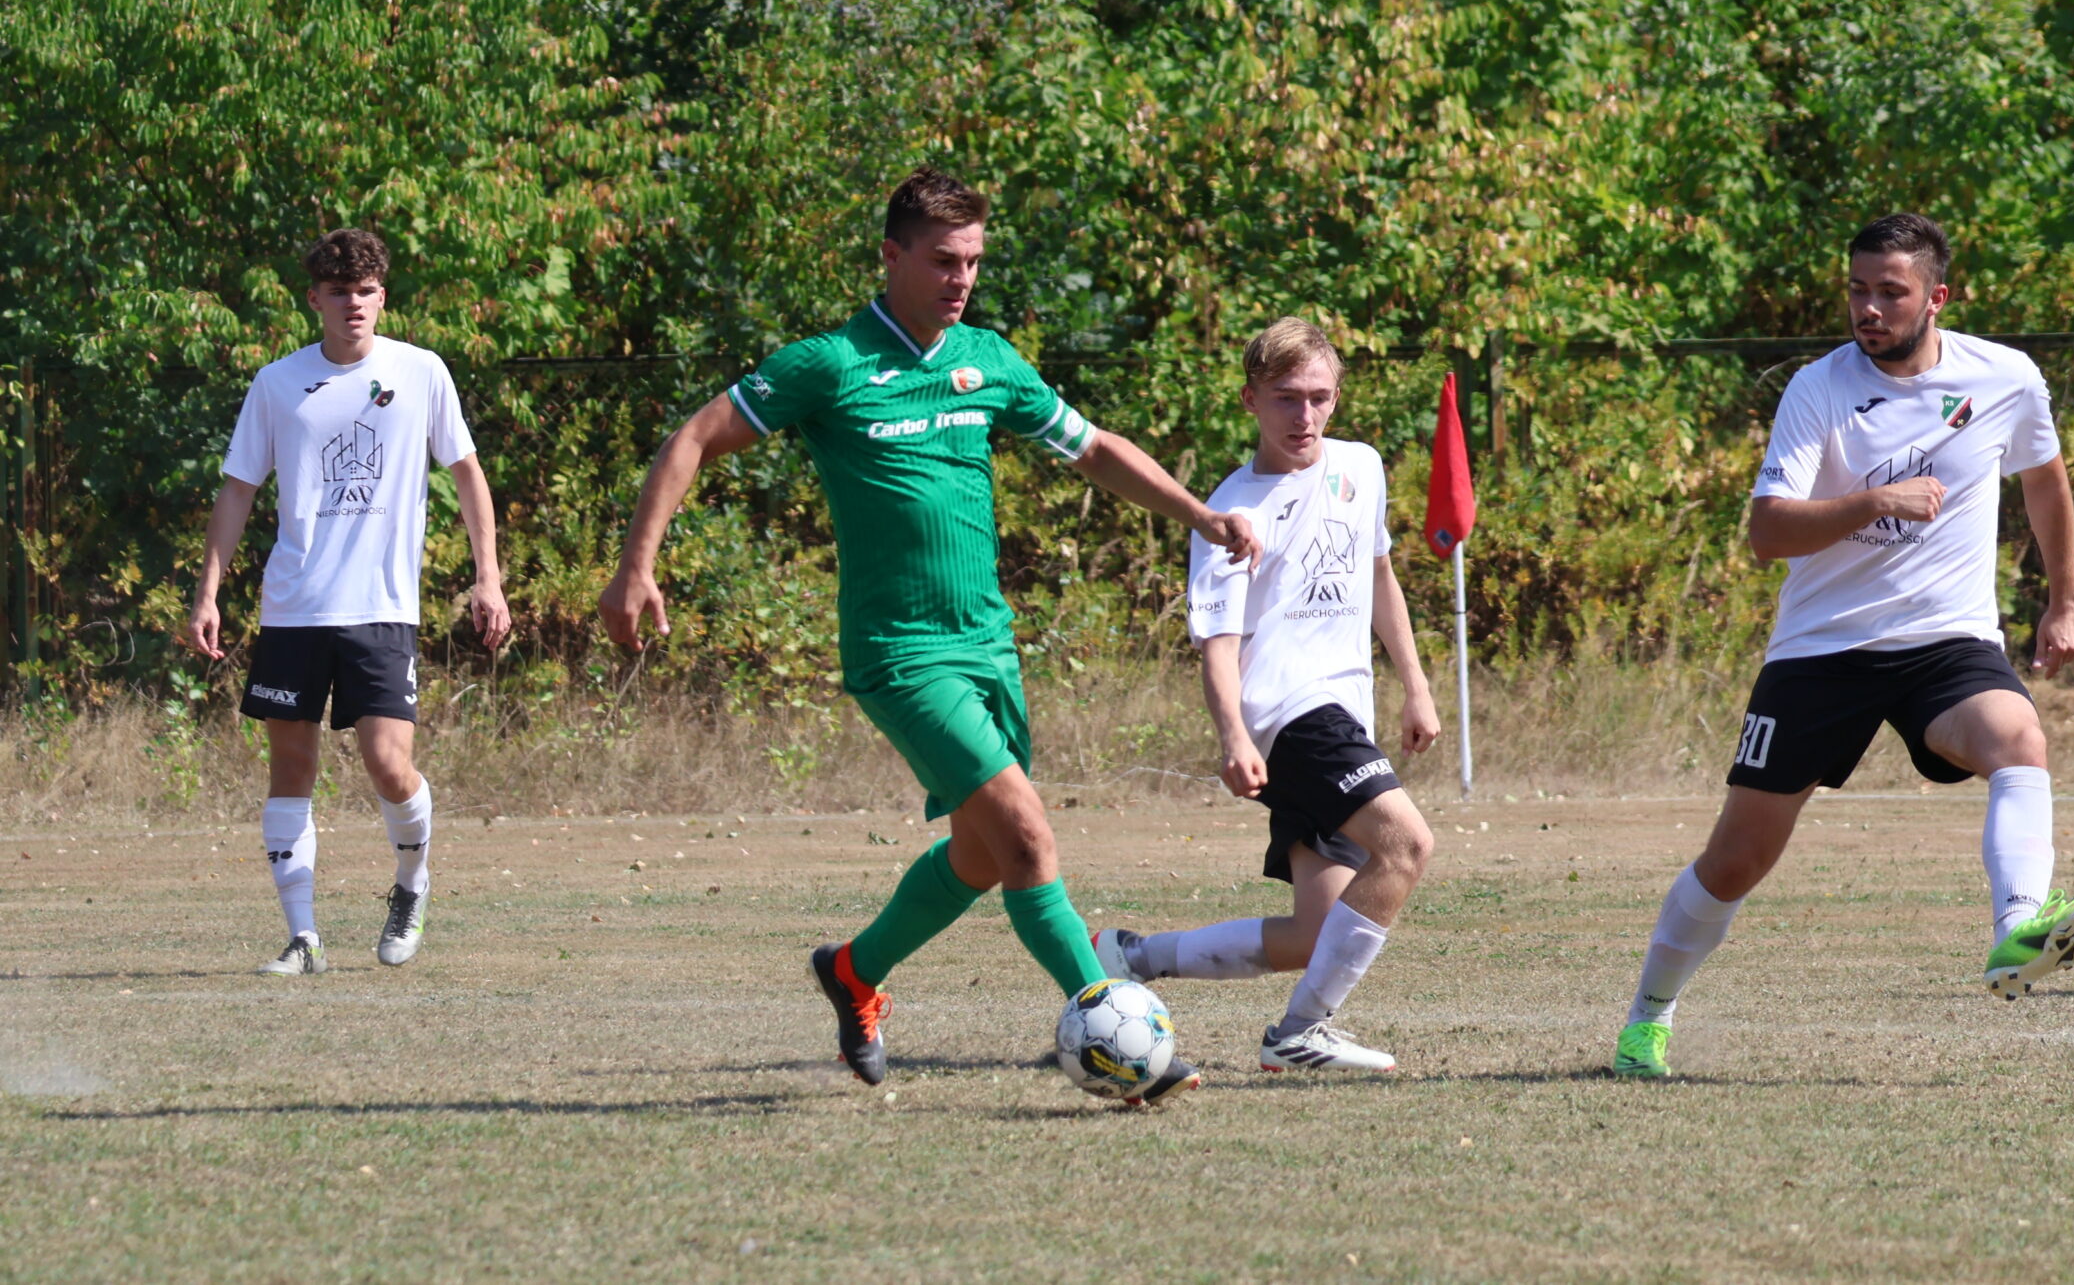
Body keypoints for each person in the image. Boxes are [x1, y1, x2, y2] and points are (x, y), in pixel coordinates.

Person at [599, 168, 1261, 1103]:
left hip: (987, 644)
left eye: (974, 261)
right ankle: (1120, 1041)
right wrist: (636, 566)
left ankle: (854, 969)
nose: (963, 279)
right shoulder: (831, 363)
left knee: (982, 857)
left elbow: (1094, 448)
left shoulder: (987, 358)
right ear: (893, 255)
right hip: (900, 653)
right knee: (1027, 836)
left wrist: (1199, 513)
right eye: (946, 260)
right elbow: (694, 437)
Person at [1610, 212, 2074, 1079]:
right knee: (1737, 858)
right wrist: (1877, 501)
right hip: (1823, 649)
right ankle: (1648, 1015)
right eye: (1857, 290)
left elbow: (2044, 481)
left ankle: (2018, 927)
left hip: (1945, 640)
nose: (1868, 308)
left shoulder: (2006, 377)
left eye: (1890, 292)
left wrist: (2065, 600)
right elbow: (1768, 532)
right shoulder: (1819, 388)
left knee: (2018, 737)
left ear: (1937, 297)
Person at [1092, 318, 1439, 1073]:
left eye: (1318, 397)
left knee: (1317, 934)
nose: (1303, 415)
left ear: (1337, 396)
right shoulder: (1231, 511)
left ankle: (1130, 956)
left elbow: (1379, 575)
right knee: (1407, 844)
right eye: (1285, 398)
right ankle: (1300, 1032)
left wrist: (1415, 686)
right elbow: (1218, 644)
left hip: (1346, 717)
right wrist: (1234, 737)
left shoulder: (1362, 466)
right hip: (1290, 716)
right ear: (1251, 399)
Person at [188, 228, 512, 975]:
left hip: (382, 607)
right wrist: (208, 592)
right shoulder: (278, 383)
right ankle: (303, 939)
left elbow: (467, 473)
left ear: (382, 296)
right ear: (315, 299)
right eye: (338, 292)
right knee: (290, 768)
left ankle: (412, 882)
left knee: (388, 763)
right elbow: (237, 490)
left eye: (365, 291)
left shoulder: (421, 371)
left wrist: (488, 576)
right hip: (295, 608)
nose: (353, 304)